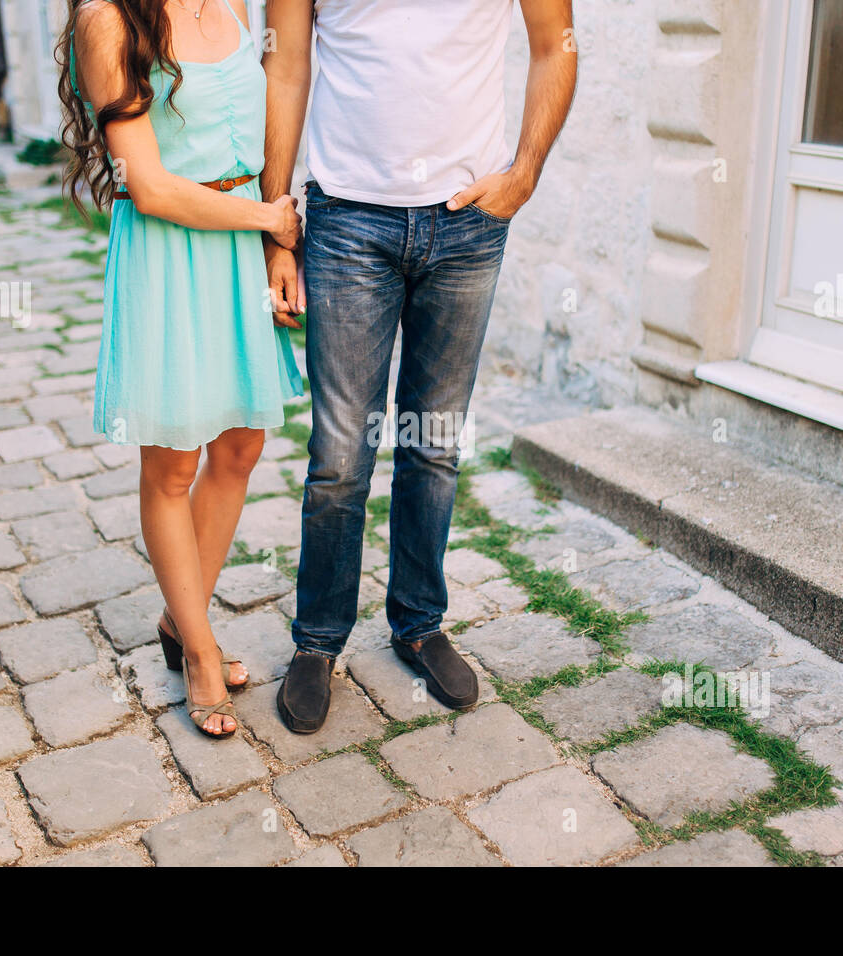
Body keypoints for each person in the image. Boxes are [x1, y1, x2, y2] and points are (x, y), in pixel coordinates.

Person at [261, 0, 578, 733]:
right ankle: (318, 642)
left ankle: (418, 622)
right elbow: (285, 67)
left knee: (433, 443)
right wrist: (280, 228)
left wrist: (523, 174)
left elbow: (554, 46)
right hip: (347, 223)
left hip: (469, 222)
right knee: (340, 456)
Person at [58, 0, 304, 737]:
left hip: (236, 249)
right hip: (171, 251)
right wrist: (270, 221)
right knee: (172, 465)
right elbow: (153, 186)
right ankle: (199, 650)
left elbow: (273, 115)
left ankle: (179, 613)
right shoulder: (108, 20)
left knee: (241, 446)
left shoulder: (231, 5)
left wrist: (273, 245)